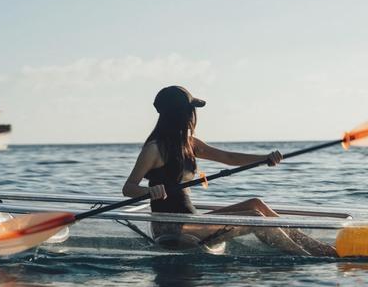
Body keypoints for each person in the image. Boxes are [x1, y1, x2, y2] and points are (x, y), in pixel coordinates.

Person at [122, 86, 336, 256]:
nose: (193, 114)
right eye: (190, 110)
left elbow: (228, 158)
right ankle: (308, 259)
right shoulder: (154, 148)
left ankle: (321, 250)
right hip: (171, 230)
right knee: (254, 217)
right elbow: (129, 188)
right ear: (180, 113)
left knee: (255, 204)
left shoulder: (190, 143)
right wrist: (150, 192)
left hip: (193, 221)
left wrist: (264, 159)